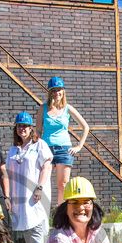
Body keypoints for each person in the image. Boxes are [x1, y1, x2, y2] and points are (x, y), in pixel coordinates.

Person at [7, 111, 53, 243]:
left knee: (37, 226)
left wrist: (39, 187)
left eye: (26, 126)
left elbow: (47, 166)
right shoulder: (13, 149)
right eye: (20, 126)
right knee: (25, 226)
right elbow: (7, 172)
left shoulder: (39, 145)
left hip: (35, 193)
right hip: (18, 194)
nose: (22, 129)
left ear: (31, 128)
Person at [36, 77, 90, 205]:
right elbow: (38, 130)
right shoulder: (43, 108)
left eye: (59, 89)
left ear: (63, 91)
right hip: (46, 149)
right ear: (50, 92)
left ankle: (61, 215)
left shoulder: (68, 108)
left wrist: (79, 146)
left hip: (64, 149)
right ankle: (42, 213)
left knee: (63, 185)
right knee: (42, 182)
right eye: (53, 90)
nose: (57, 93)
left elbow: (86, 127)